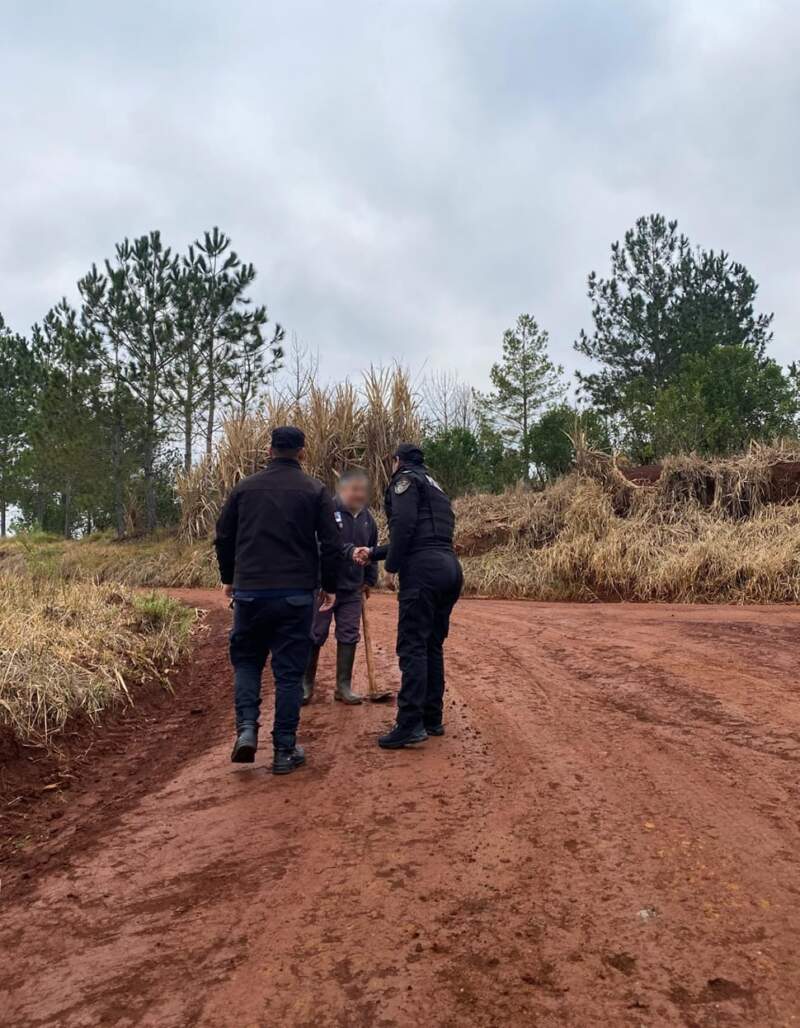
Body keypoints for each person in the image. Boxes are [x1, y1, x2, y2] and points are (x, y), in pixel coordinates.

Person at [214, 426, 340, 775]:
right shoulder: (315, 489)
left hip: (251, 593)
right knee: (288, 674)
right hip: (296, 596)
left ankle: (247, 730)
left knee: (248, 663)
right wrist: (329, 585)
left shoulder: (244, 488)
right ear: (302, 452)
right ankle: (284, 750)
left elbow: (223, 536)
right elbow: (330, 543)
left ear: (269, 450)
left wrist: (229, 578)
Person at [354, 443, 462, 749]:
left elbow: (403, 526)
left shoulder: (404, 481)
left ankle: (410, 724)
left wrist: (392, 565)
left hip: (423, 571)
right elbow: (423, 534)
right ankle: (431, 717)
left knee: (412, 646)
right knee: (431, 645)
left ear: (397, 461)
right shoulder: (435, 487)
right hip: (449, 568)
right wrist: (373, 553)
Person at [301, 469, 379, 706]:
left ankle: (343, 686)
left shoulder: (368, 519)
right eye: (353, 490)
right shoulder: (327, 512)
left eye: (362, 490)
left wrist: (369, 579)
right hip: (324, 587)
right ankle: (305, 684)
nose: (358, 495)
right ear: (342, 489)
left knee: (348, 634)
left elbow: (372, 550)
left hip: (352, 588)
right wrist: (349, 553)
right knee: (315, 633)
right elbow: (323, 545)